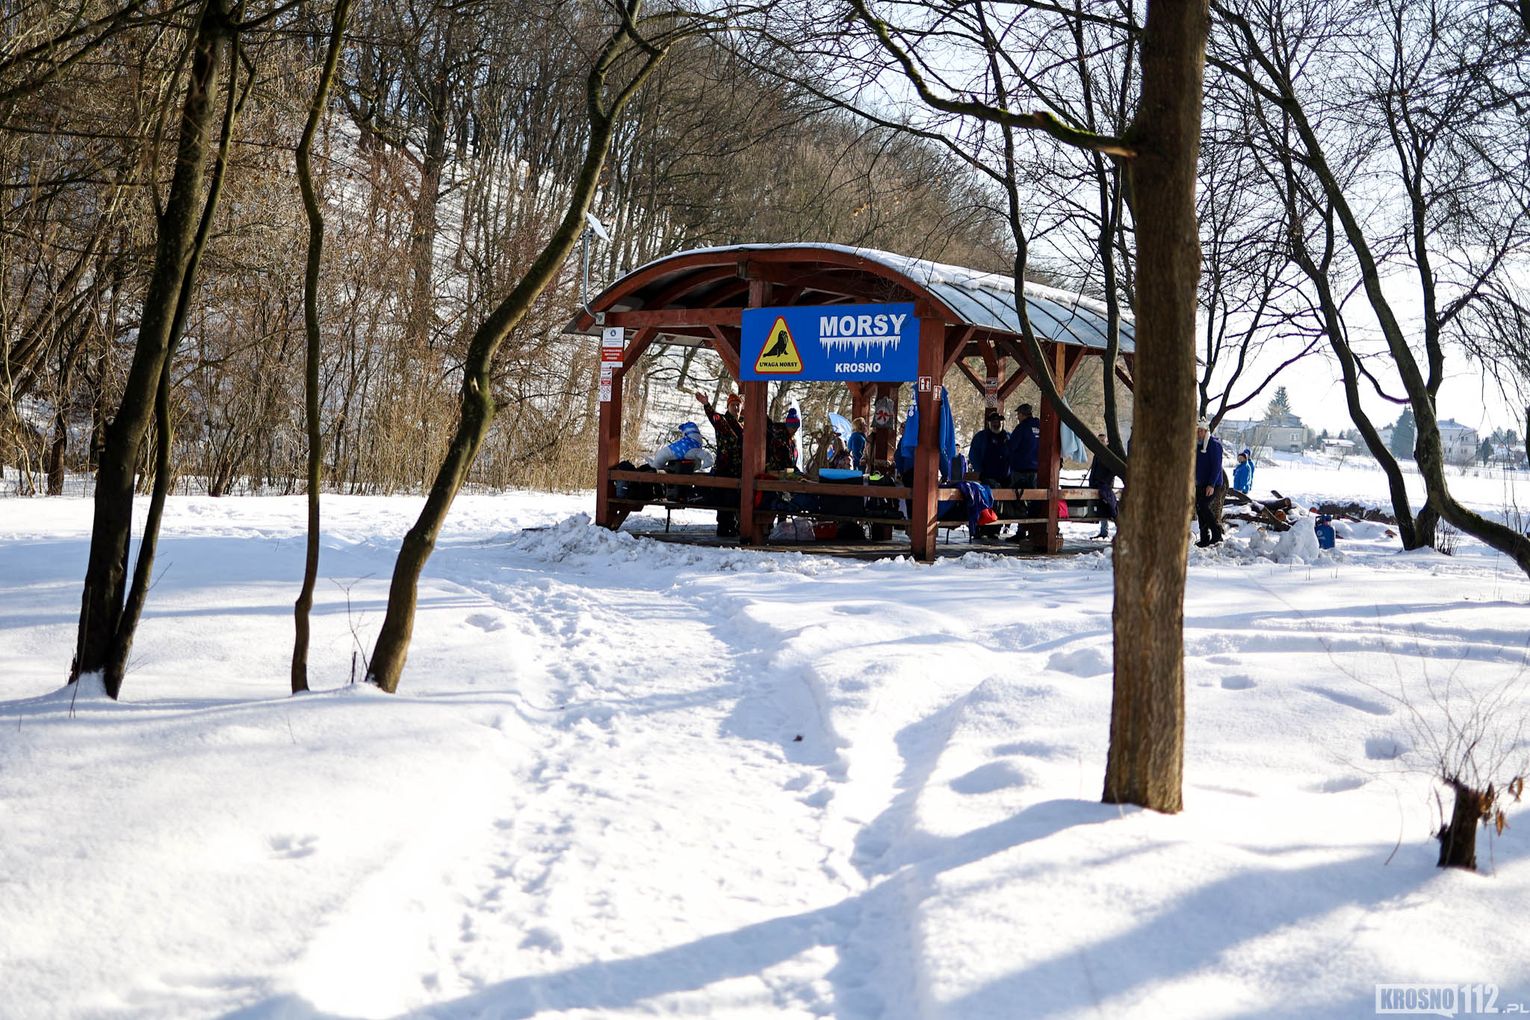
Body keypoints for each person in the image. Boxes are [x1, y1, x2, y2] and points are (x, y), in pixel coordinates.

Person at [695, 390, 743, 536]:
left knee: (735, 501)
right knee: (725, 501)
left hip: (739, 471)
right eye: (733, 405)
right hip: (725, 469)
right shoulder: (723, 421)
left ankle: (733, 527)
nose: (736, 408)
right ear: (728, 407)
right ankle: (723, 528)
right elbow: (713, 417)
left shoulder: (743, 426)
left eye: (738, 405)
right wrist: (706, 404)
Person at [967, 408, 1009, 537]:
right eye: (994, 422)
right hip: (986, 477)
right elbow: (973, 455)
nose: (996, 424)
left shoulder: (1008, 437)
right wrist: (980, 471)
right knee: (985, 503)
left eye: (999, 422)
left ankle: (995, 529)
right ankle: (982, 528)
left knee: (1000, 505)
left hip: (1005, 478)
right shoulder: (981, 437)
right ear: (989, 423)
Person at [1195, 416, 1226, 547]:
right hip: (1200, 483)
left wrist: (1211, 484)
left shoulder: (1214, 444)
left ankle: (1216, 533)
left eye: (1202, 431)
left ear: (1206, 431)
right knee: (1199, 508)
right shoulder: (1197, 445)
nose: (1199, 433)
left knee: (1203, 506)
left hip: (1213, 484)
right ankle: (1204, 538)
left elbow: (1216, 466)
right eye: (1198, 431)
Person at [648, 421, 714, 471]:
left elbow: (704, 455)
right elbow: (703, 455)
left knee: (662, 454)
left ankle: (656, 466)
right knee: (663, 454)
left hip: (677, 453)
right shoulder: (695, 444)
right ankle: (656, 465)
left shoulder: (691, 445)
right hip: (684, 457)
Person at [1088, 434, 1119, 540]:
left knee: (1109, 506)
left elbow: (1113, 471)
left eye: (1102, 441)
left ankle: (1117, 528)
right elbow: (1094, 470)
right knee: (1102, 508)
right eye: (1099, 441)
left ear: (1107, 442)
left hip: (1105, 485)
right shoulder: (1097, 454)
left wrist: (1106, 482)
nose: (1100, 443)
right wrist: (1091, 482)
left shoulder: (1109, 455)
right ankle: (1103, 531)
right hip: (1096, 484)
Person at [765, 406, 800, 472]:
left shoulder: (791, 443)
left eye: (796, 429)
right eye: (793, 428)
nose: (795, 431)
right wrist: (795, 471)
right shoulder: (780, 438)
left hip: (783, 472)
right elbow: (785, 463)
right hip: (774, 472)